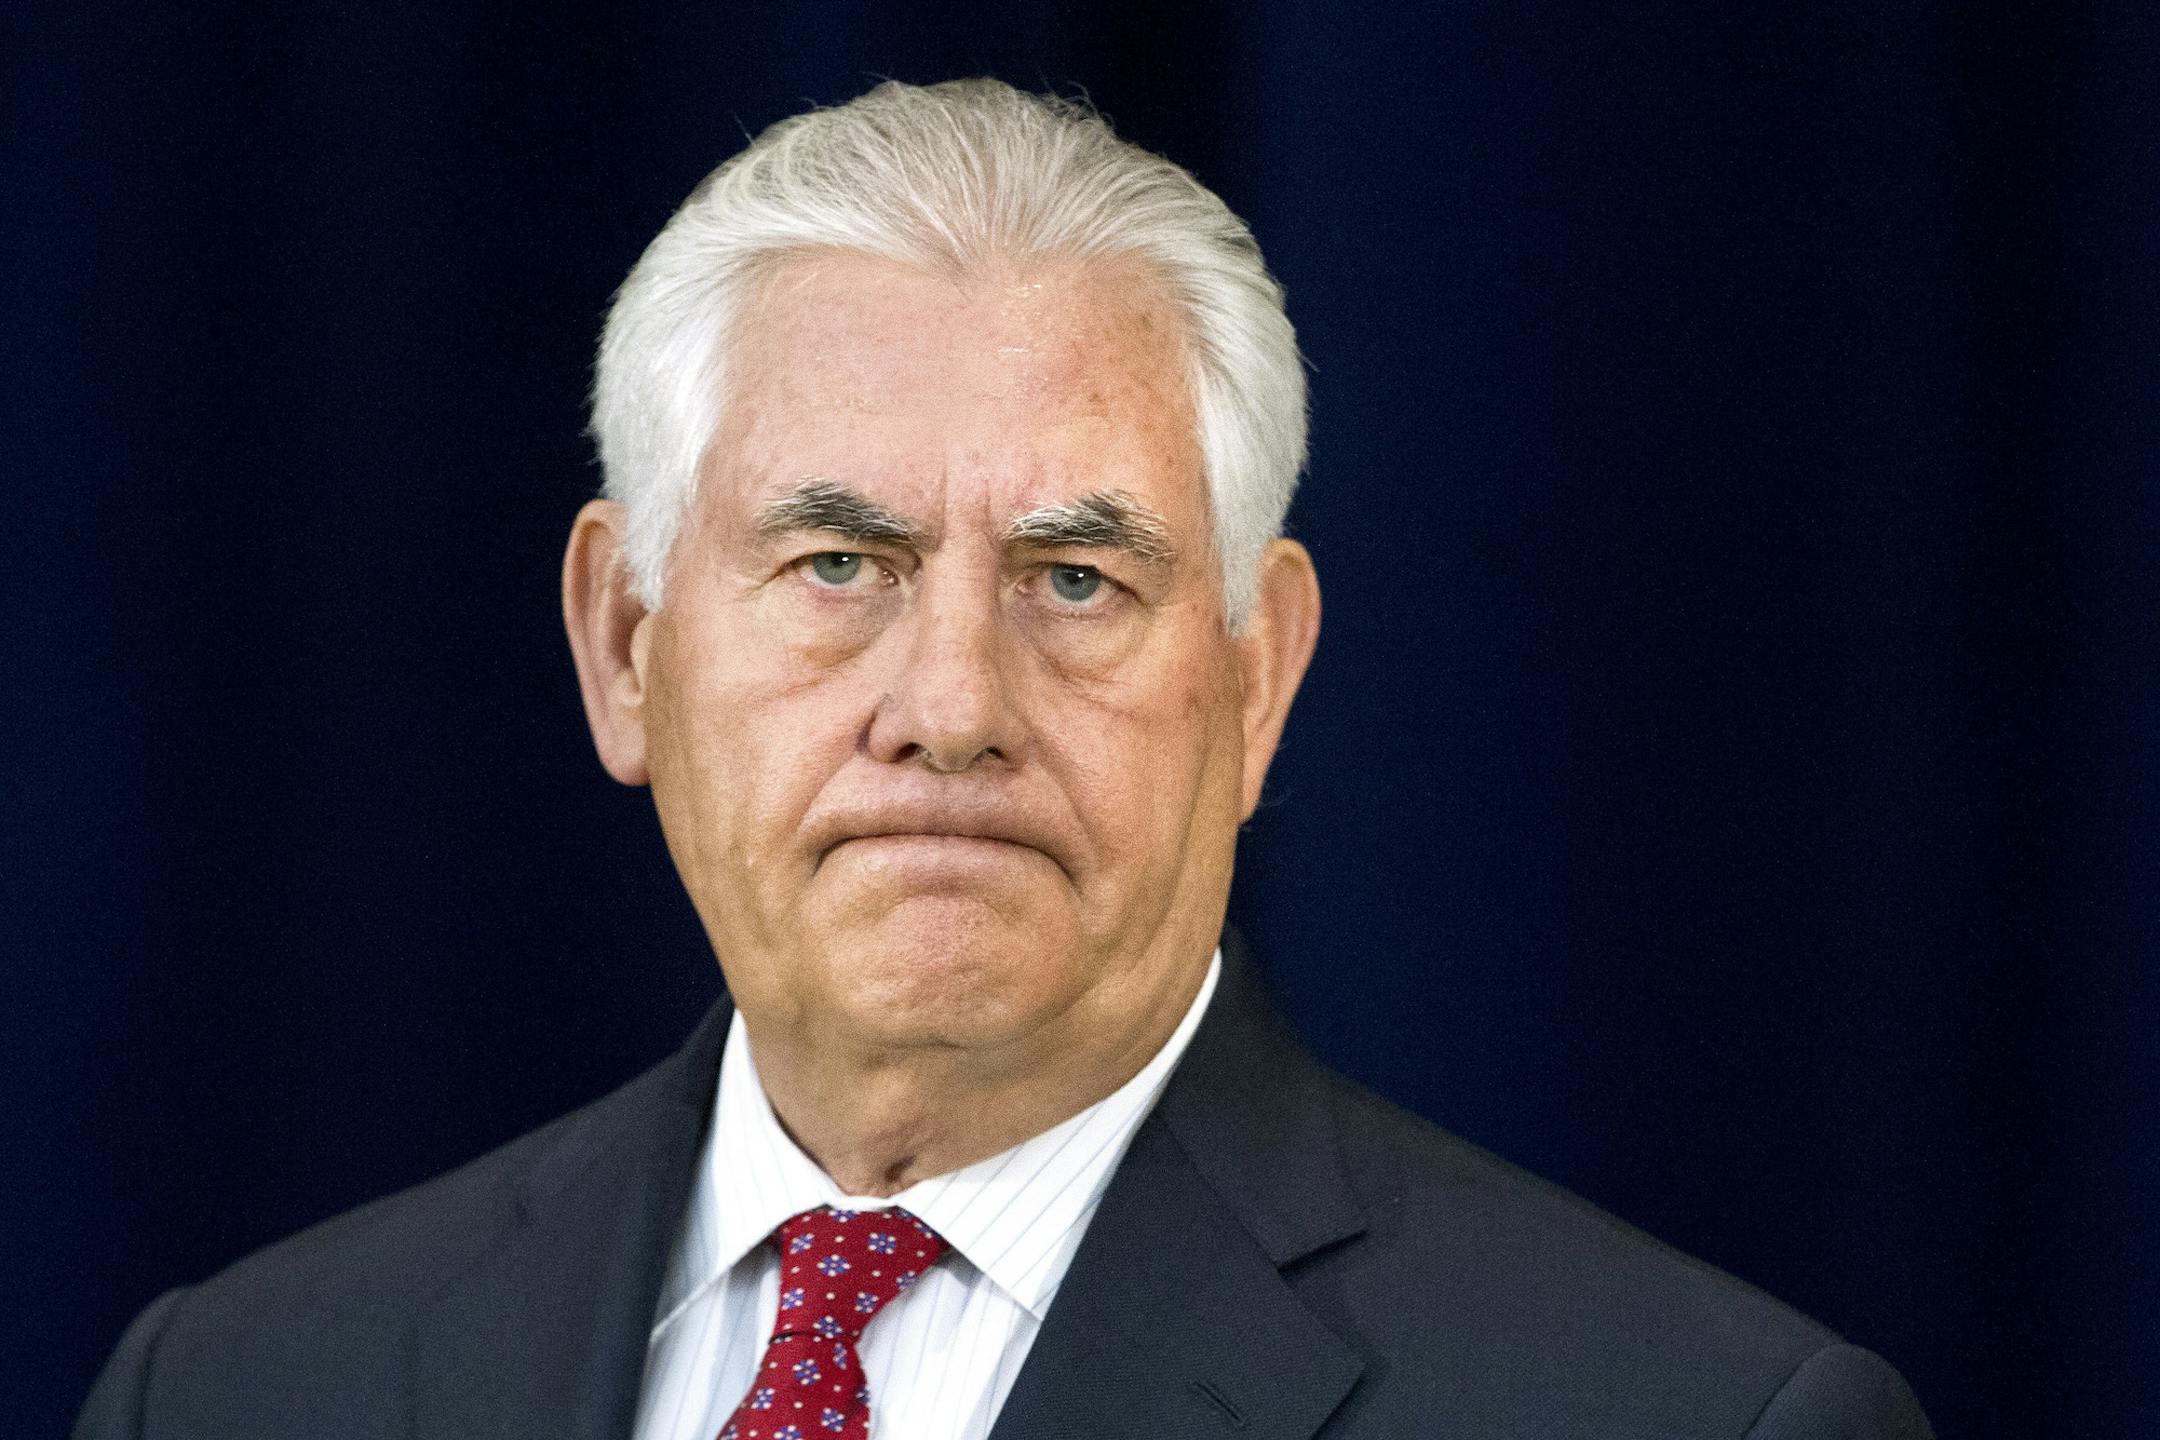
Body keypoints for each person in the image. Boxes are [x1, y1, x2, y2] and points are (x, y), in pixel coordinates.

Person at [76, 78, 1932, 1439]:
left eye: (1073, 575)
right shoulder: (241, 1384)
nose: (951, 702)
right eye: (836, 565)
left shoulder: (1697, 1417)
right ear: (626, 646)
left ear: (1257, 678)